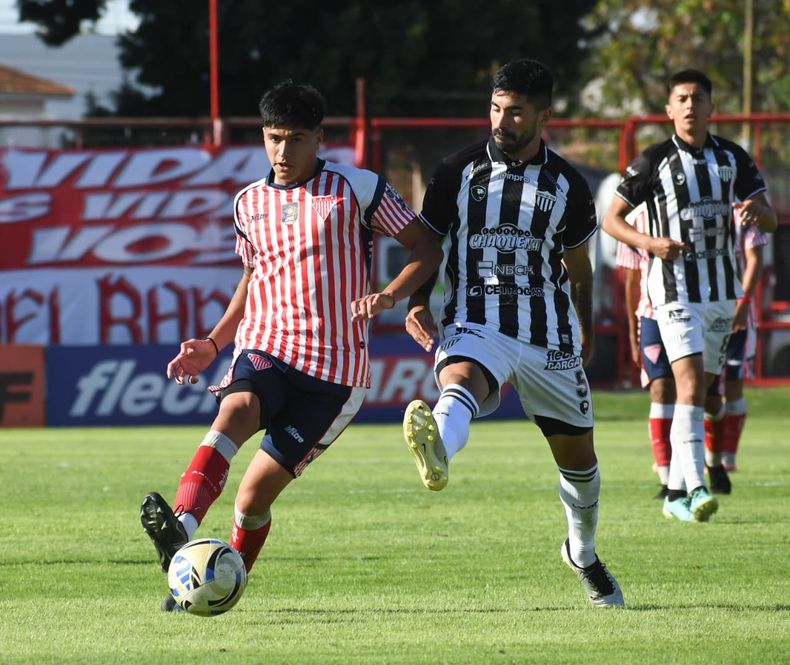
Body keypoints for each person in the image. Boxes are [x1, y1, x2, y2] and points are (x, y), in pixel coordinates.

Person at [139, 81, 442, 611]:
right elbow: (252, 277)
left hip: (334, 373)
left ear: (319, 138)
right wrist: (214, 343)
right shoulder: (248, 202)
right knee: (234, 410)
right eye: (274, 138)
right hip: (266, 346)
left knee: (253, 500)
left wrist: (391, 296)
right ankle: (181, 533)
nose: (283, 152)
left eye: (296, 139)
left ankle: (223, 579)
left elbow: (427, 245)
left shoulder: (356, 189)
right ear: (262, 135)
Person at [401, 59, 624, 608]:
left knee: (581, 468)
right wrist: (416, 300)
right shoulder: (456, 171)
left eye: (516, 111)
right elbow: (429, 245)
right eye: (496, 108)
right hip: (477, 317)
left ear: (544, 115)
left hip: (549, 332)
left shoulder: (569, 185)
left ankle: (583, 552)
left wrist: (585, 328)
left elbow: (579, 268)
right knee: (459, 381)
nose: (502, 120)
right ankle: (439, 450)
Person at [602, 69, 777, 522]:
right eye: (681, 98)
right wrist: (652, 244)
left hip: (721, 292)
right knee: (690, 384)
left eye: (698, 97)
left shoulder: (733, 158)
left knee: (708, 396)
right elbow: (612, 219)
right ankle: (696, 488)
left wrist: (761, 212)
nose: (689, 105)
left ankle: (676, 492)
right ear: (668, 108)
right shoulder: (653, 160)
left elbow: (771, 220)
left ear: (710, 106)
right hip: (672, 292)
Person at [614, 204, 675, 501]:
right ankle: (666, 476)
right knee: (660, 390)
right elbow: (630, 280)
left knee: (698, 392)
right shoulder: (633, 220)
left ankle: (702, 466)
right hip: (650, 317)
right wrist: (631, 329)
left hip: (690, 310)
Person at [704, 215, 769, 480]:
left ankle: (728, 457)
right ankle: (710, 455)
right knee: (705, 386)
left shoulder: (744, 213)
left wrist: (742, 304)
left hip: (738, 314)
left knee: (733, 382)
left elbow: (755, 259)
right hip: (705, 310)